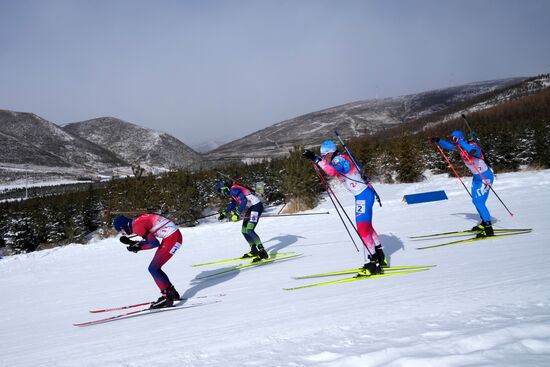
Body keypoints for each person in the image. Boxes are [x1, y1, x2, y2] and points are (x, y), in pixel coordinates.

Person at [303, 140, 386, 276]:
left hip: (363, 196)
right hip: (363, 194)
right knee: (367, 227)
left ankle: (372, 264)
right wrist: (317, 160)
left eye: (325, 156)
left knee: (363, 230)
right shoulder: (340, 157)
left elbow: (332, 171)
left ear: (330, 153)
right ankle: (380, 257)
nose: (325, 159)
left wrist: (316, 159)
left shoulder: (339, 160)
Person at [429, 130, 495, 237]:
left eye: (454, 139)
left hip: (485, 177)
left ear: (460, 139)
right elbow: (448, 146)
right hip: (477, 178)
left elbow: (474, 152)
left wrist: (460, 142)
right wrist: (438, 140)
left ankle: (489, 229)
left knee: (479, 202)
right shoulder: (459, 147)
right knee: (475, 201)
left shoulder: (472, 146)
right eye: (451, 139)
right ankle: (484, 222)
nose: (452, 142)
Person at [112, 213, 183, 309]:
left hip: (172, 238)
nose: (123, 233)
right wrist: (134, 244)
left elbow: (154, 243)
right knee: (155, 268)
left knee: (153, 268)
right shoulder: (137, 222)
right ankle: (171, 292)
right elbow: (150, 239)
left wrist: (138, 247)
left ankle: (167, 297)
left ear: (123, 226)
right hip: (173, 237)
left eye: (121, 230)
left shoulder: (137, 227)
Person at [216, 180, 269, 262]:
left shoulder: (234, 190)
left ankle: (262, 252)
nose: (222, 193)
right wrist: (224, 213)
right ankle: (254, 250)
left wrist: (237, 214)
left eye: (221, 191)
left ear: (224, 188)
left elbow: (243, 201)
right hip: (252, 208)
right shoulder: (232, 192)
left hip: (257, 206)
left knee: (250, 229)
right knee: (244, 230)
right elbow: (233, 204)